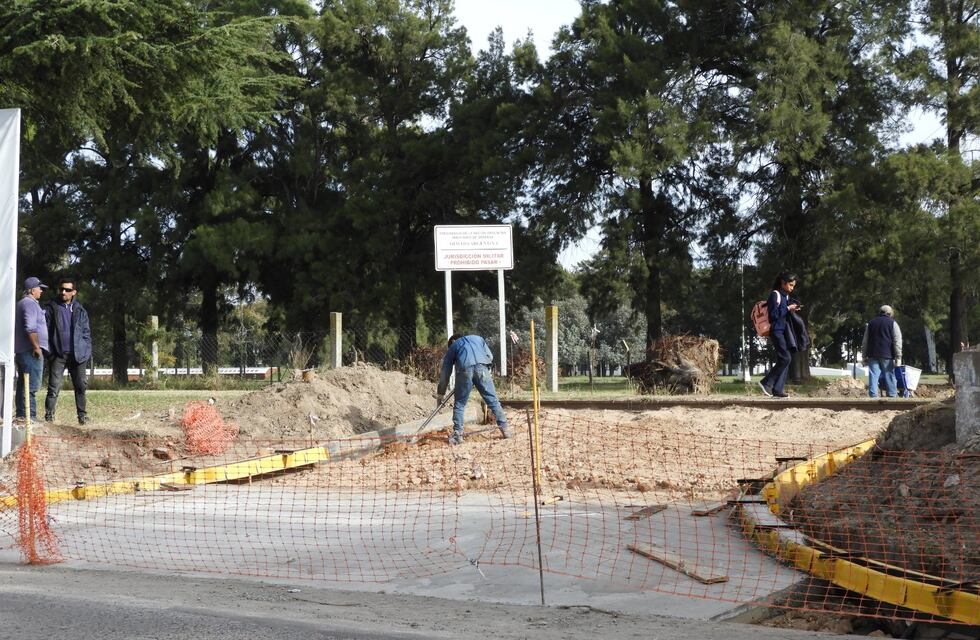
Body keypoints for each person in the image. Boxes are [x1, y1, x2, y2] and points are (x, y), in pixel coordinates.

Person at [436, 334, 510, 445]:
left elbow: (445, 372)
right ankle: (505, 429)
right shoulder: (478, 338)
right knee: (492, 399)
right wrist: (481, 373)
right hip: (483, 369)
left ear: (453, 341)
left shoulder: (453, 346)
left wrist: (440, 394)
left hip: (464, 371)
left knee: (460, 404)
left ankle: (458, 435)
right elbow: (489, 356)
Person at [44, 277, 92, 425]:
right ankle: (49, 416)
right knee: (53, 387)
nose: (63, 292)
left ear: (74, 292)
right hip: (58, 355)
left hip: (78, 356)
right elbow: (44, 330)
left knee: (80, 387)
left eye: (67, 290)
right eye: (61, 289)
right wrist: (50, 352)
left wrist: (86, 351)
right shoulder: (51, 308)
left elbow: (86, 333)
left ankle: (82, 417)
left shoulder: (80, 310)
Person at [758, 272, 801, 398]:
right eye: (791, 285)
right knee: (785, 358)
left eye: (794, 286)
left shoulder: (786, 297)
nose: (792, 288)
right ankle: (766, 383)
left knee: (786, 358)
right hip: (776, 331)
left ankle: (778, 390)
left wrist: (791, 309)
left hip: (783, 331)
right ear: (783, 282)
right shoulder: (774, 295)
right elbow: (773, 316)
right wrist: (787, 309)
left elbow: (783, 314)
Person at [14, 276, 49, 422]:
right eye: (39, 288)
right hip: (30, 351)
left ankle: (23, 416)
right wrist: (36, 347)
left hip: (24, 350)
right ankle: (30, 417)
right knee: (31, 386)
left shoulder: (23, 303)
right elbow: (30, 327)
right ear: (32, 290)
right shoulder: (29, 304)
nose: (41, 291)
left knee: (24, 385)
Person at [861, 305, 902, 398]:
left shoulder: (871, 323)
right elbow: (897, 341)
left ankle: (873, 396)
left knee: (873, 376)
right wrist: (898, 357)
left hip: (872, 354)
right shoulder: (893, 323)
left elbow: (865, 341)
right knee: (889, 375)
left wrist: (863, 356)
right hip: (887, 354)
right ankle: (892, 396)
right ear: (890, 313)